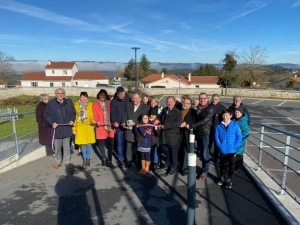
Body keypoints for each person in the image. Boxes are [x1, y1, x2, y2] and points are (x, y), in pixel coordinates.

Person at [45, 88, 76, 169]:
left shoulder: (69, 102)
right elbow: (46, 115)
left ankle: (67, 161)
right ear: (56, 94)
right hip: (56, 130)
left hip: (66, 129)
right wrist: (52, 123)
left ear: (64, 94)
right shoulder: (51, 103)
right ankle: (58, 161)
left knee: (67, 147)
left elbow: (73, 112)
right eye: (58, 93)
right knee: (57, 147)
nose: (60, 95)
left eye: (62, 93)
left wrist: (72, 120)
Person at [215, 109, 242, 188]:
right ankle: (222, 177)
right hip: (223, 149)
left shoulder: (235, 125)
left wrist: (235, 146)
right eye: (223, 115)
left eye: (227, 115)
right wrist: (219, 145)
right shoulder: (219, 126)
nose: (225, 117)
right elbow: (216, 136)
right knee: (223, 165)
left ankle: (229, 180)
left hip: (232, 150)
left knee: (231, 166)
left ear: (230, 116)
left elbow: (239, 137)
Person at [190, 93, 214, 180]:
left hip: (206, 134)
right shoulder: (198, 109)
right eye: (200, 98)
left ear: (207, 99)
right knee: (201, 152)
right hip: (199, 133)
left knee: (205, 153)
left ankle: (205, 172)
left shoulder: (210, 109)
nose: (202, 100)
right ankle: (203, 169)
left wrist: (192, 125)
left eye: (204, 98)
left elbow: (204, 120)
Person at [122, 92, 150, 168]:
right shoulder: (128, 105)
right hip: (129, 129)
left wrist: (136, 123)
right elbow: (125, 115)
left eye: (136, 98)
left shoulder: (145, 107)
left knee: (139, 147)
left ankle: (140, 162)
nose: (134, 100)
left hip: (139, 130)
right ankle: (129, 161)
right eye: (133, 98)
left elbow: (145, 119)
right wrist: (123, 123)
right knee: (129, 146)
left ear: (140, 99)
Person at [159, 96, 182, 175]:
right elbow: (161, 119)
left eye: (171, 102)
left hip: (173, 136)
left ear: (174, 102)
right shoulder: (164, 110)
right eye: (168, 102)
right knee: (168, 151)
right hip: (165, 135)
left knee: (174, 153)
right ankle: (167, 164)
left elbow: (177, 123)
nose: (169, 104)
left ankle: (174, 167)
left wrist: (165, 126)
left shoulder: (177, 112)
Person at [93, 89, 115, 168]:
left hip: (110, 126)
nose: (102, 97)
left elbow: (113, 113)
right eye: (101, 95)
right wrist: (97, 121)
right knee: (101, 144)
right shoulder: (95, 104)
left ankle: (110, 160)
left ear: (106, 96)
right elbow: (95, 114)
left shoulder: (109, 103)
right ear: (98, 95)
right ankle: (103, 158)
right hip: (100, 126)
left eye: (104, 95)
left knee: (111, 144)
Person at [72, 92, 96, 167]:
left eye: (85, 97)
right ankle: (84, 158)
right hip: (80, 127)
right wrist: (74, 128)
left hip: (89, 126)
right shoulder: (76, 105)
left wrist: (92, 120)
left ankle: (88, 158)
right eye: (82, 97)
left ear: (87, 98)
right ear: (79, 97)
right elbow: (75, 118)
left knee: (89, 144)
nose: (84, 99)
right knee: (82, 144)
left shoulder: (91, 105)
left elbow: (92, 115)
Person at [110, 87, 131, 168]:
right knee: (120, 143)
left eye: (124, 94)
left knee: (128, 143)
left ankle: (128, 158)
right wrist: (114, 121)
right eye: (121, 94)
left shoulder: (127, 98)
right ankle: (121, 159)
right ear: (117, 94)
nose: (123, 95)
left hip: (128, 123)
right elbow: (113, 114)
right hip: (119, 125)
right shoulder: (113, 102)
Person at [179, 97, 196, 176]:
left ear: (190, 104)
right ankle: (180, 165)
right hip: (178, 133)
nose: (185, 105)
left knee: (186, 150)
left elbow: (193, 120)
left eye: (187, 103)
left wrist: (186, 122)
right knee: (180, 150)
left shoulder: (193, 111)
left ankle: (184, 168)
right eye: (184, 103)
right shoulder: (179, 110)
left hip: (187, 133)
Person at [210, 94, 227, 162]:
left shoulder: (223, 107)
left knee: (217, 144)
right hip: (209, 128)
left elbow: (226, 117)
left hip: (219, 128)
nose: (214, 101)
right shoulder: (208, 106)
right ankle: (207, 156)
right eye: (213, 99)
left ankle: (216, 157)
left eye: (216, 99)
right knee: (208, 143)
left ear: (219, 100)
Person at [36, 94, 53, 158]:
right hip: (45, 126)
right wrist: (44, 124)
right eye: (47, 99)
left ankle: (53, 151)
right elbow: (39, 118)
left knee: (52, 139)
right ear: (43, 100)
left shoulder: (49, 105)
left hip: (50, 124)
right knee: (47, 141)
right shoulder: (39, 107)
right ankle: (49, 154)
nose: (49, 100)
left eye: (49, 99)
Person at [233, 106, 250, 172]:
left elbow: (246, 133)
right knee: (234, 153)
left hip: (240, 140)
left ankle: (239, 168)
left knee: (239, 153)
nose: (236, 114)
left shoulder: (243, 122)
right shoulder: (234, 120)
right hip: (234, 140)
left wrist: (239, 137)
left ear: (241, 113)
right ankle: (235, 167)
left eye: (238, 112)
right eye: (236, 112)